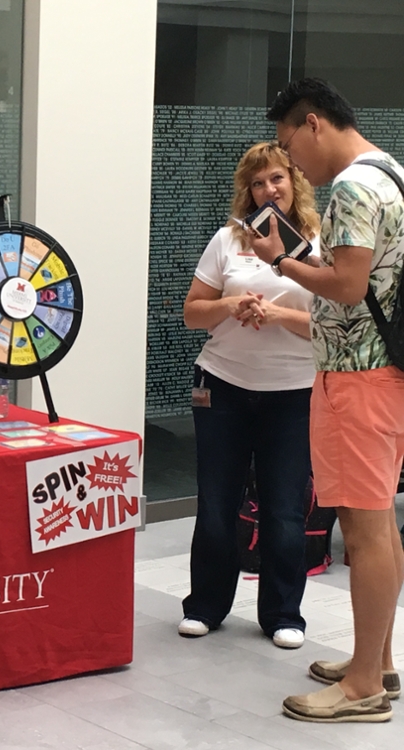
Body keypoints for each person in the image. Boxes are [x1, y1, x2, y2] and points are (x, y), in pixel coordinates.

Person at [252, 78, 404, 723]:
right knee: (381, 526)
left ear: (313, 123)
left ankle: (363, 686)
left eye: (290, 148)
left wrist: (282, 261)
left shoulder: (349, 186)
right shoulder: (391, 171)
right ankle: (380, 661)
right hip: (384, 373)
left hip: (355, 379)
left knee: (363, 530)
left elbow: (346, 286)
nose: (292, 166)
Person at [179, 142, 320, 651]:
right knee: (216, 503)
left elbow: (334, 327)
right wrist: (232, 303)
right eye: (258, 183)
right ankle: (204, 607)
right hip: (223, 386)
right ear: (248, 191)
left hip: (294, 393)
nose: (268, 191)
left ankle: (284, 613)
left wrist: (278, 315)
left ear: (295, 182)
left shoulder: (322, 245)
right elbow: (193, 311)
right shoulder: (226, 239)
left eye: (277, 179)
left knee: (284, 509)